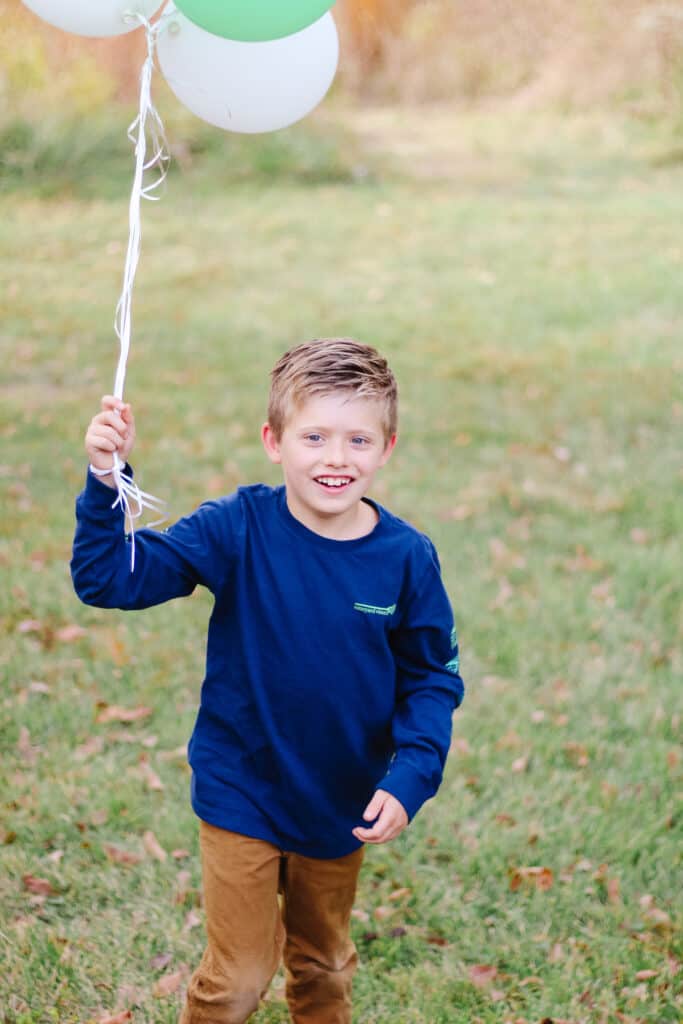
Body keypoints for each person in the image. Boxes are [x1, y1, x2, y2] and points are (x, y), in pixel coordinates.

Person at [71, 337, 464, 1024]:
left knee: (322, 967)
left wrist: (412, 776)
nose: (335, 459)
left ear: (387, 447)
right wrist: (107, 482)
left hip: (341, 800)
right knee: (239, 980)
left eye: (357, 439)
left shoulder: (404, 559)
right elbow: (110, 580)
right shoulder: (238, 527)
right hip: (241, 789)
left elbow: (430, 677)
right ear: (274, 441)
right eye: (313, 436)